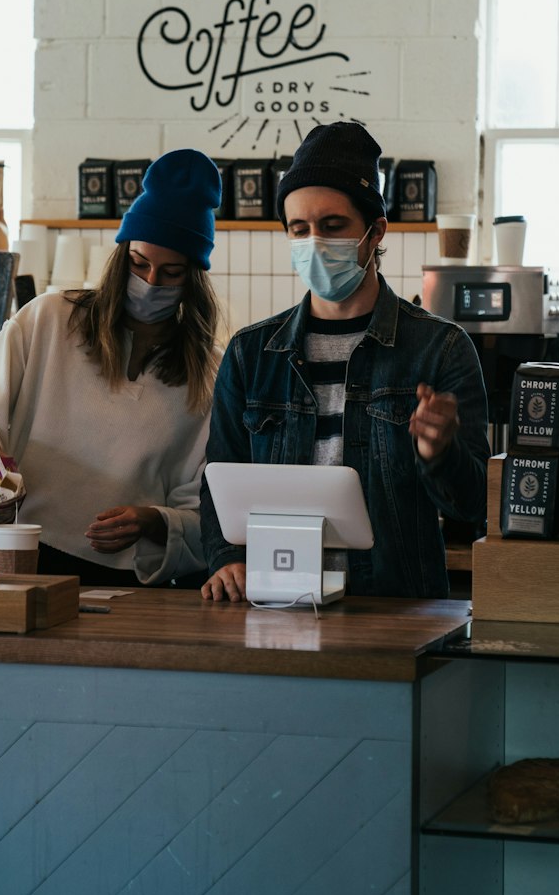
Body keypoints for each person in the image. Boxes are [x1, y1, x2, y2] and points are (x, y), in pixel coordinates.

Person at [200, 122, 489, 601]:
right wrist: (226, 558)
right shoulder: (251, 355)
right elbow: (218, 481)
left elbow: (474, 507)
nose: (314, 242)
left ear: (375, 232)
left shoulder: (441, 349)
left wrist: (441, 454)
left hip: (396, 607)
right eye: (300, 229)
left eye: (332, 226)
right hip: (277, 601)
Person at [0, 149, 222, 586]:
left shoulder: (206, 375)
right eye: (139, 263)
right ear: (121, 255)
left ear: (193, 279)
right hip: (22, 554)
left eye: (171, 273)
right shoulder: (50, 320)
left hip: (126, 579)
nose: (150, 283)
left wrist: (153, 520)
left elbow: (201, 504)